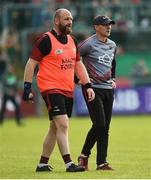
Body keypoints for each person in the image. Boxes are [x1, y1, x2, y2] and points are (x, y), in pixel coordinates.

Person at [22, 8, 95, 172]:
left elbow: (78, 65)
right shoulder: (45, 40)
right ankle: (69, 164)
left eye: (71, 19)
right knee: (63, 123)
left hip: (67, 89)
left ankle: (42, 163)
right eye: (66, 19)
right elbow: (31, 63)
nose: (70, 22)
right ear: (56, 21)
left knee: (55, 127)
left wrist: (87, 84)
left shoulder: (72, 41)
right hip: (50, 87)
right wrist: (27, 88)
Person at [77, 15, 117, 170]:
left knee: (105, 127)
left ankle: (101, 162)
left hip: (108, 89)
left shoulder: (112, 44)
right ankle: (84, 155)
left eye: (110, 25)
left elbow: (113, 62)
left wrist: (113, 77)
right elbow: (74, 60)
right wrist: (78, 79)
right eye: (105, 25)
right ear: (96, 27)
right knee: (99, 124)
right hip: (92, 89)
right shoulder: (87, 44)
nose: (109, 27)